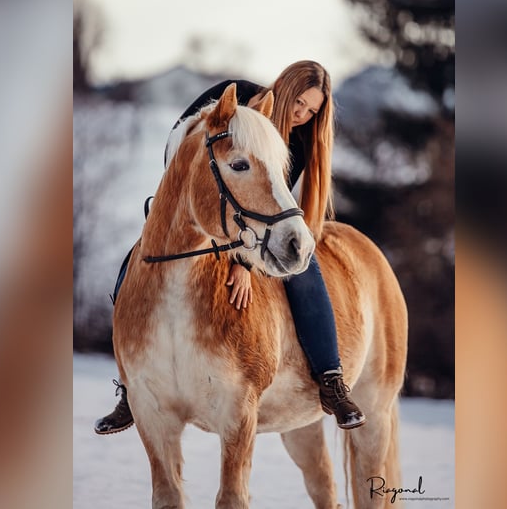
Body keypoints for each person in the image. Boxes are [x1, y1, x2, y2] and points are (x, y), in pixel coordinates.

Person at [95, 60, 366, 434]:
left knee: (303, 271)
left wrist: (244, 264)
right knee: (137, 264)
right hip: (193, 205)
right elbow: (179, 138)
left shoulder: (297, 141)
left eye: (312, 110)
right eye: (300, 103)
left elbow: (272, 201)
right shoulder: (233, 94)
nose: (302, 114)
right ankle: (130, 388)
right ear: (284, 89)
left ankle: (332, 379)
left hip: (250, 230)